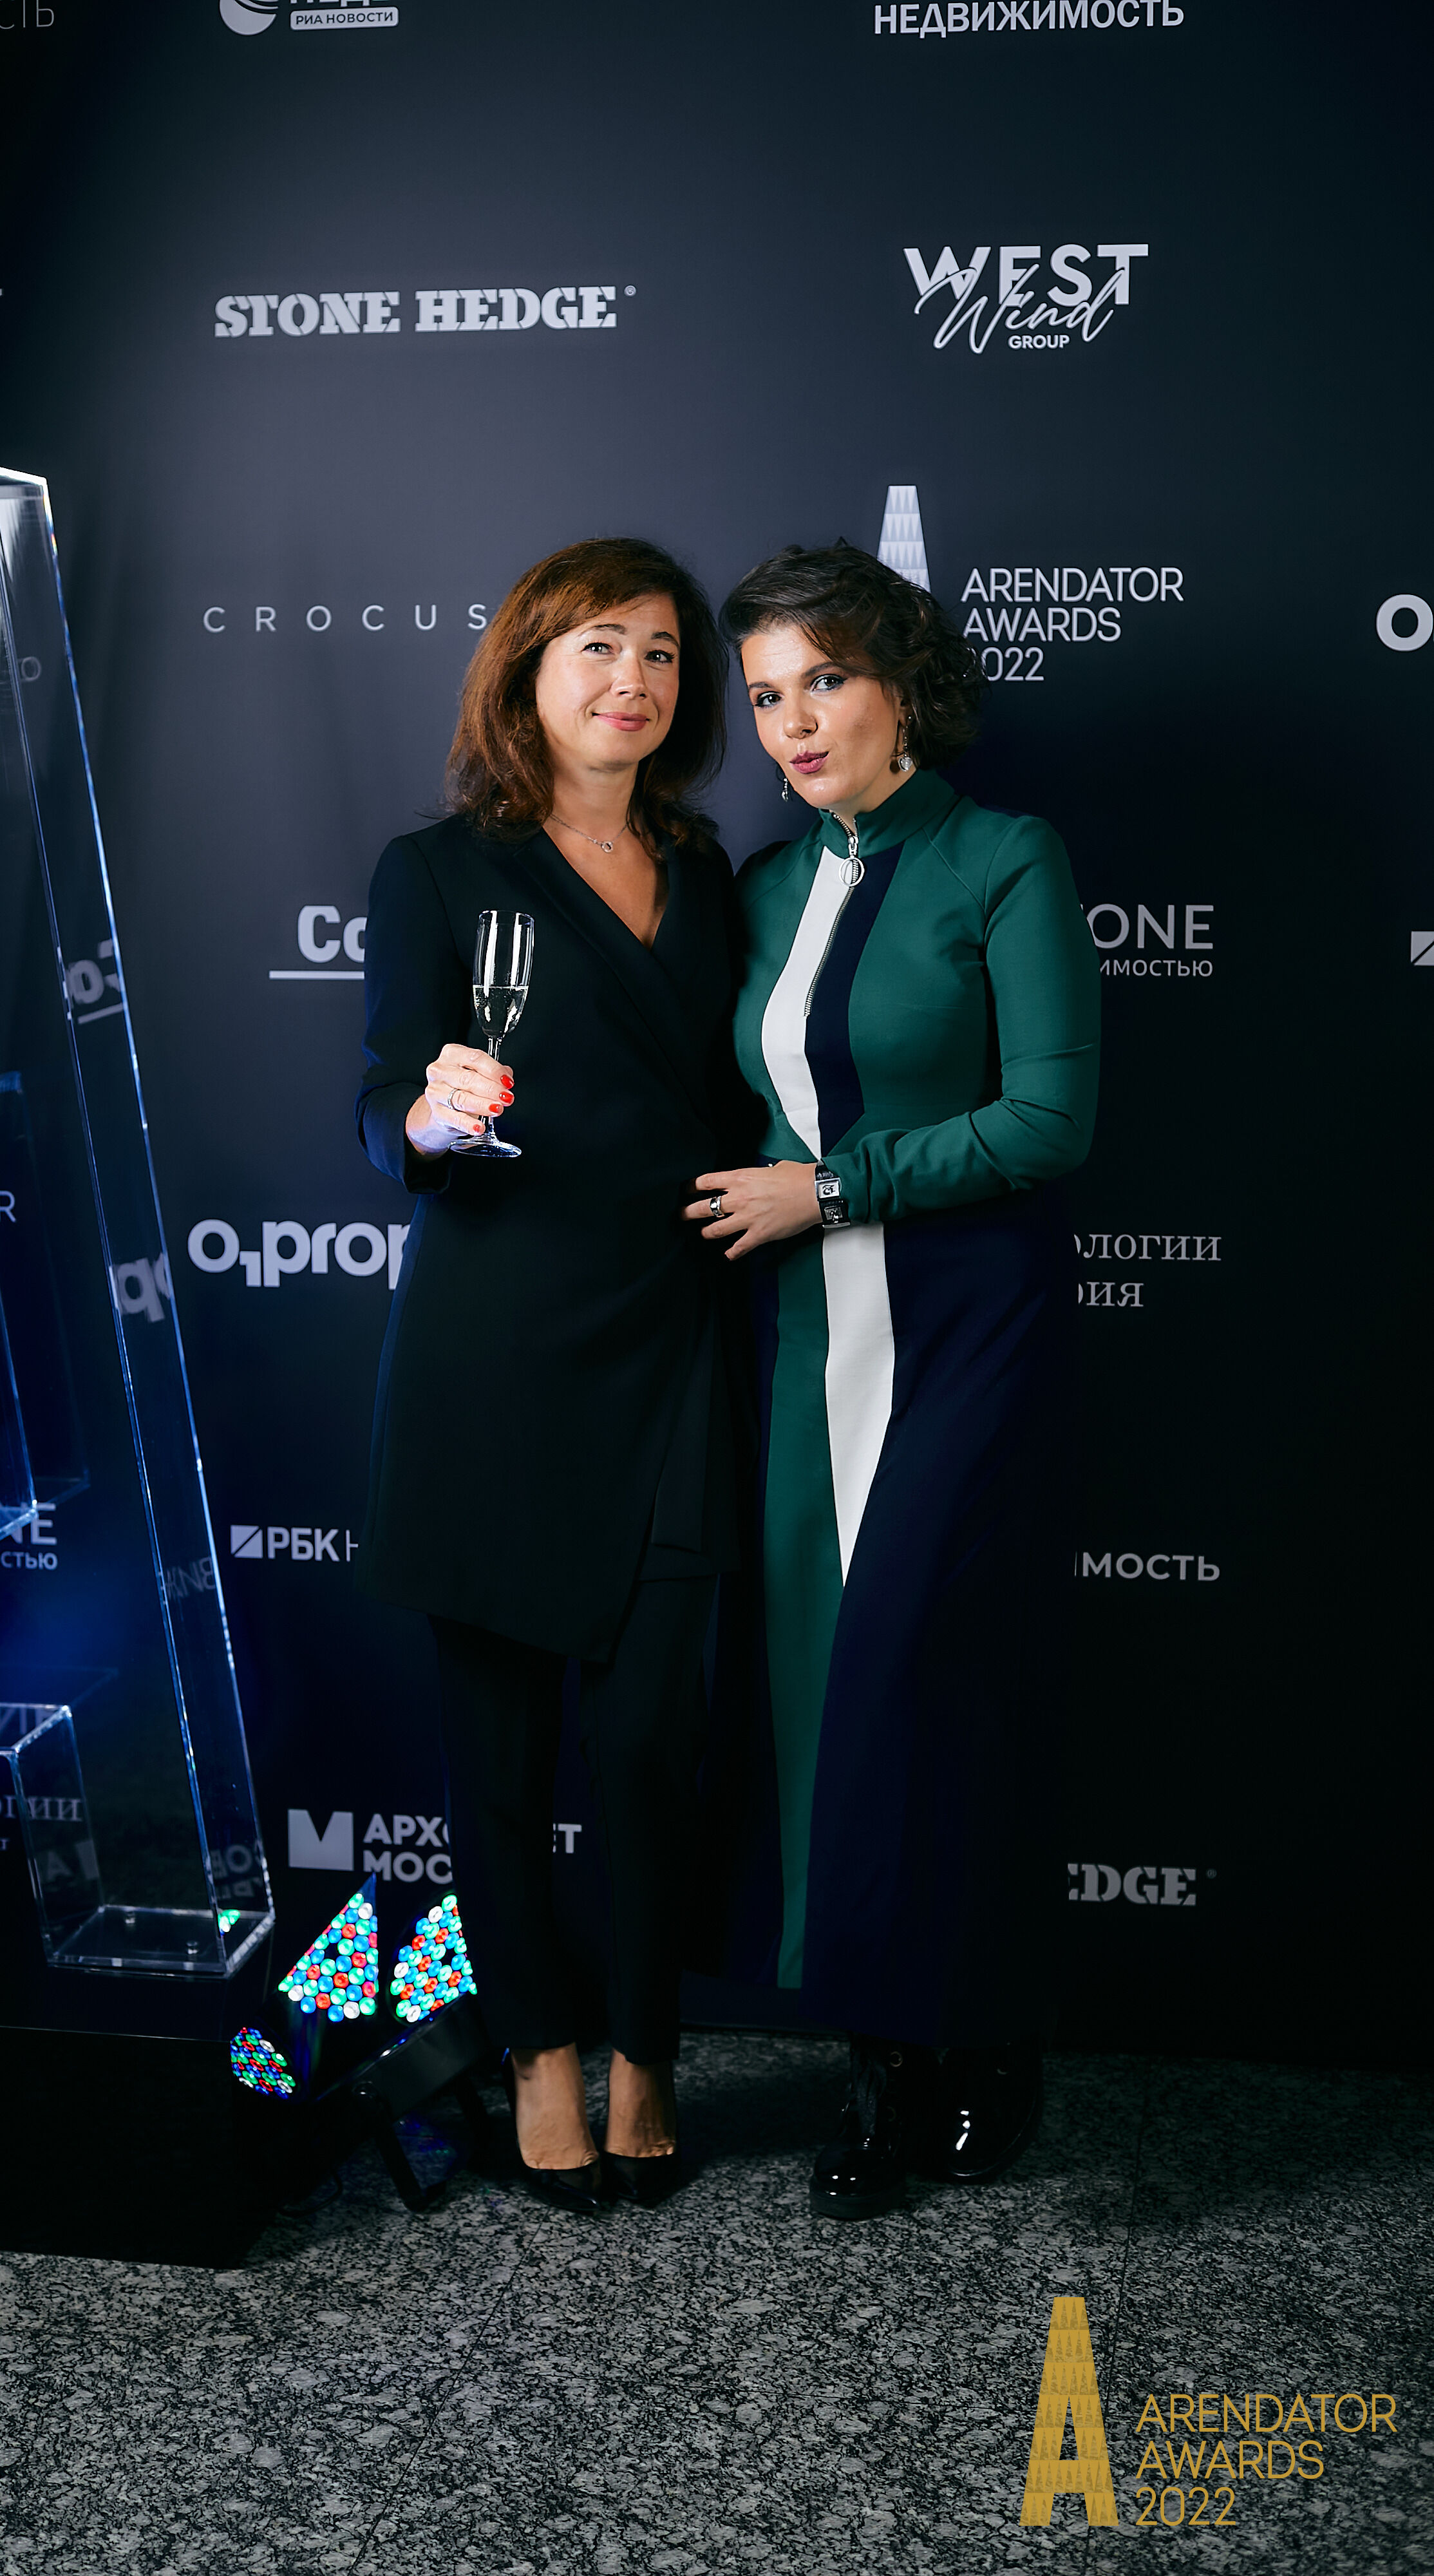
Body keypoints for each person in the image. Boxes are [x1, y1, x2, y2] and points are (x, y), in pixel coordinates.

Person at [687, 540, 1100, 2219]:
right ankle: (885, 2058)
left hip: (961, 1335)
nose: (792, 722)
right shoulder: (764, 887)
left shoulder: (1005, 857)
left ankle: (979, 2041)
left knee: (919, 1678)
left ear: (902, 686)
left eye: (825, 681)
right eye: (765, 695)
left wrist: (835, 1185)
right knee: (813, 1695)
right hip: (799, 1349)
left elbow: (1048, 1122)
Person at [355, 536, 753, 2210]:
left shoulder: (713, 872)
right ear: (526, 667)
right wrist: (430, 1118)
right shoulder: (437, 870)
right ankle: (535, 2057)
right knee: (500, 1763)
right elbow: (385, 1095)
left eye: (660, 652)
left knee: (654, 1746)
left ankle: (646, 2054)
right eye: (597, 645)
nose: (631, 680)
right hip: (496, 1360)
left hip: (674, 1341)